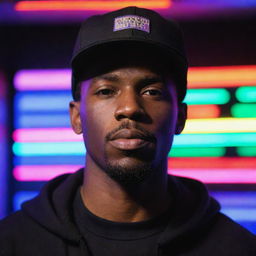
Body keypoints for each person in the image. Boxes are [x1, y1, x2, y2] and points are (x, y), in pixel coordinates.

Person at [0, 6, 255, 256]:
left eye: (151, 91)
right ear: (76, 117)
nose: (130, 108)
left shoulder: (238, 248)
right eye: (106, 91)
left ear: (181, 117)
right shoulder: (11, 243)